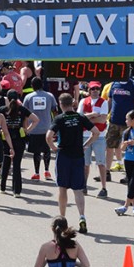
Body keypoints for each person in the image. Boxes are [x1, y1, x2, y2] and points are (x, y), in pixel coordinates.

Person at [45, 93, 92, 233]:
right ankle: (82, 216)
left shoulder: (60, 119)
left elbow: (48, 136)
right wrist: (86, 144)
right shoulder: (80, 117)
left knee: (63, 188)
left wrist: (53, 148)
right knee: (78, 190)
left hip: (64, 156)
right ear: (73, 103)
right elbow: (95, 131)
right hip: (78, 156)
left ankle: (62, 219)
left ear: (60, 104)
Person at [105, 70, 134, 174]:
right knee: (109, 146)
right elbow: (110, 100)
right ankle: (106, 172)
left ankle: (128, 173)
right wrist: (105, 115)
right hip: (113, 121)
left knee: (128, 147)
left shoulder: (133, 85)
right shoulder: (114, 84)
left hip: (128, 123)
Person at [22, 77, 57, 182]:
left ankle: (37, 173)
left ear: (32, 86)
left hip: (34, 128)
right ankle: (47, 171)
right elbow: (55, 110)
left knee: (36, 152)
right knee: (47, 150)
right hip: (47, 127)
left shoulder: (28, 97)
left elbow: (24, 114)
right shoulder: (50, 96)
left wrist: (25, 128)